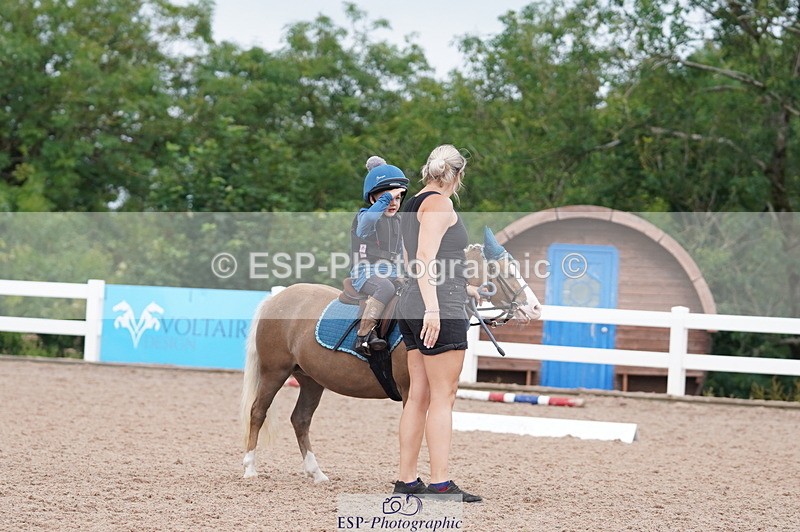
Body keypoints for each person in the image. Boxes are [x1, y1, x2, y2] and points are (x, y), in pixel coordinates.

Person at [394, 145, 482, 502]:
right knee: (443, 397)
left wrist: (465, 286)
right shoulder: (440, 204)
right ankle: (441, 485)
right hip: (436, 307)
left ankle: (407, 480)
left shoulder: (412, 201)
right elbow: (424, 257)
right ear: (458, 175)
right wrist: (434, 307)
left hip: (413, 302)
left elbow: (409, 258)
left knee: (418, 395)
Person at [350, 156, 409, 356]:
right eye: (387, 198)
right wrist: (386, 198)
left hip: (392, 272)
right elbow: (366, 226)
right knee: (384, 286)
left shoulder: (399, 222)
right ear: (373, 198)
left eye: (398, 198)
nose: (393, 203)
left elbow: (401, 254)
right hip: (366, 272)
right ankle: (364, 335)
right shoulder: (364, 217)